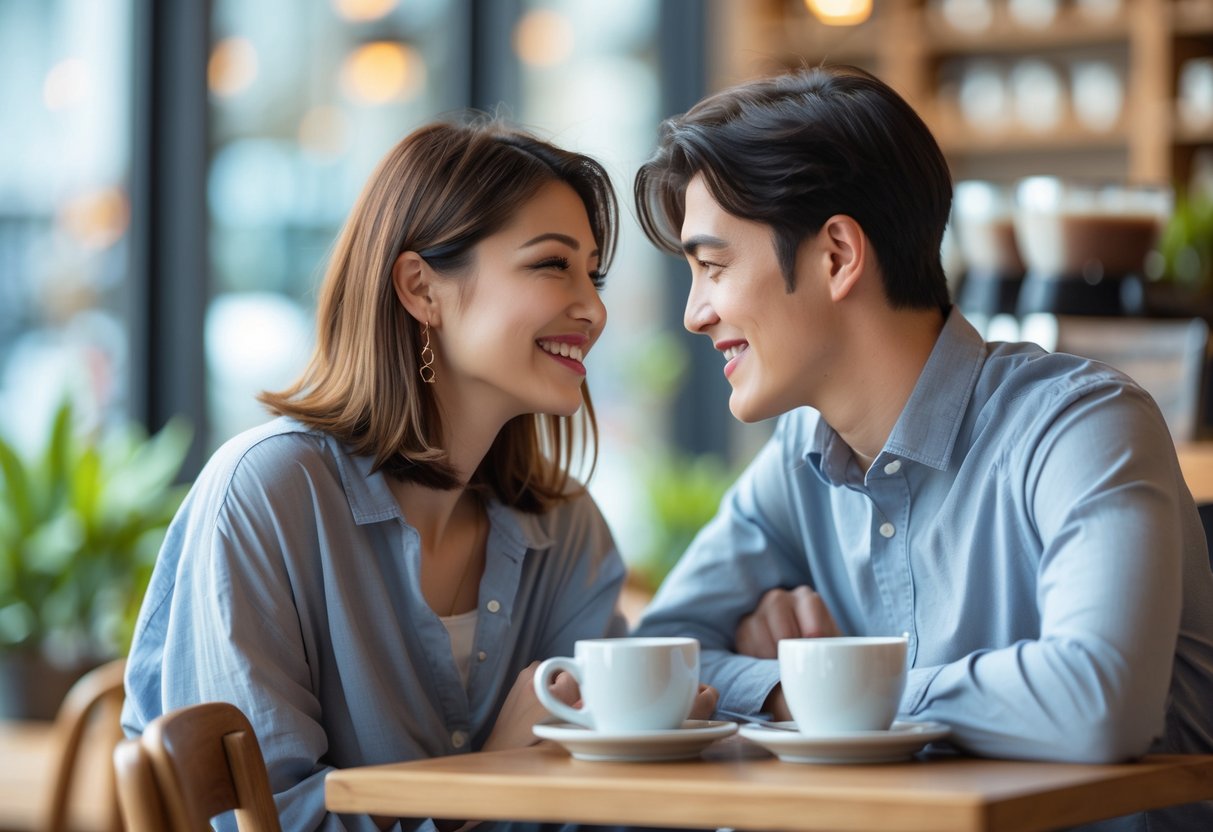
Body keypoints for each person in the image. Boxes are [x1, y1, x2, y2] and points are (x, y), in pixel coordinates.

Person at [631, 65, 1213, 830]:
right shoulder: (798, 456)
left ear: (837, 255)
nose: (694, 314)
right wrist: (788, 685)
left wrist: (833, 688)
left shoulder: (1084, 424)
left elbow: (1093, 700)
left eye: (711, 267)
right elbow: (659, 661)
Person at [121, 117, 715, 832]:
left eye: (593, 273)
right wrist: (493, 773)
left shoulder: (565, 527)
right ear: (419, 289)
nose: (593, 308)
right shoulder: (270, 494)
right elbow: (270, 820)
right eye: (552, 264)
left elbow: (606, 806)